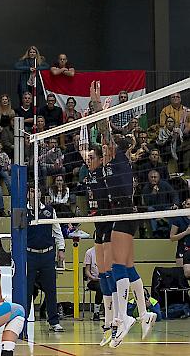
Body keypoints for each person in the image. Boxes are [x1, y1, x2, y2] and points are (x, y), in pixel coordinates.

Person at [88, 81, 157, 348]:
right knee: (126, 266)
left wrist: (97, 106)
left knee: (117, 266)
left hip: (125, 212)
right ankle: (143, 313)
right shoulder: (108, 163)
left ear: (114, 149)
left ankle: (123, 316)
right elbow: (101, 135)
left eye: (107, 147)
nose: (103, 149)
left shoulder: (117, 158)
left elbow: (105, 133)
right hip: (124, 213)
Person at [26, 185, 66, 332]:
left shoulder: (49, 211)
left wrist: (61, 249)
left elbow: (57, 231)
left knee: (51, 289)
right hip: (29, 255)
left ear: (41, 193)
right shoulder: (22, 211)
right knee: (27, 290)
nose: (34, 193)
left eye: (37, 190)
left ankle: (53, 321)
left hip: (48, 255)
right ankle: (22, 321)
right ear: (27, 194)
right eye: (31, 191)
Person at [169, 198, 190, 275]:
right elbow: (172, 237)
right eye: (188, 204)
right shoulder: (178, 218)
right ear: (184, 205)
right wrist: (185, 233)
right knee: (181, 276)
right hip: (182, 250)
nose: (189, 206)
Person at [84, 246, 103, 321]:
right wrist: (92, 277)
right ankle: (96, 312)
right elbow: (87, 271)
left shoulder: (110, 251)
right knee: (101, 287)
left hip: (106, 279)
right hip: (93, 280)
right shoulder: (90, 252)